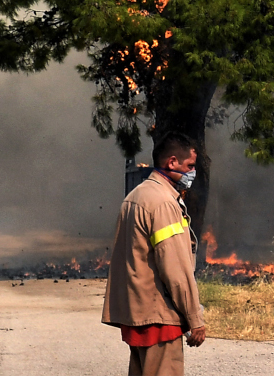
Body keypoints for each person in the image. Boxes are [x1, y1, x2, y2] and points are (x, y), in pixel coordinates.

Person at [103, 131, 206, 376]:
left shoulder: (135, 197)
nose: (193, 172)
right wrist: (195, 318)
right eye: (190, 166)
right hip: (159, 318)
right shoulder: (162, 203)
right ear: (172, 162)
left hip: (138, 315)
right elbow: (175, 270)